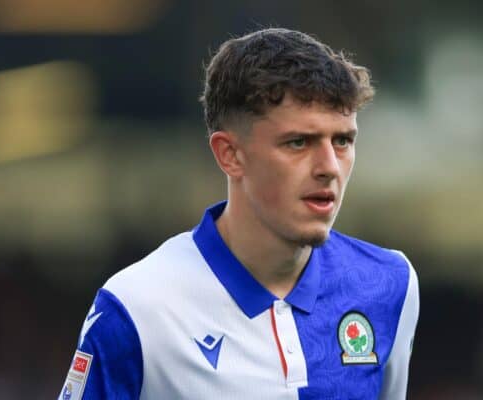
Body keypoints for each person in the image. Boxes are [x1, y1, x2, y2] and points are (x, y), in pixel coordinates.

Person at [58, 28, 419, 400]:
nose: (329, 166)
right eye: (298, 142)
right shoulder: (137, 308)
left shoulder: (390, 284)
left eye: (342, 140)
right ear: (229, 154)